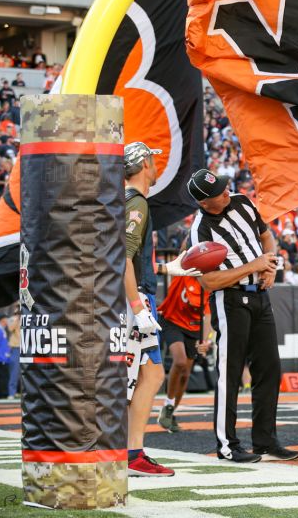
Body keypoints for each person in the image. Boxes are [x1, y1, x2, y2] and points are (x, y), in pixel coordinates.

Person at [189, 168, 298, 463]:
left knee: (269, 368)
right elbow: (208, 282)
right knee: (230, 372)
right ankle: (227, 445)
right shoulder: (200, 228)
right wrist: (254, 266)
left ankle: (265, 439)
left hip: (260, 297)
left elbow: (267, 237)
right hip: (230, 300)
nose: (226, 192)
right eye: (218, 193)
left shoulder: (241, 201)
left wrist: (271, 266)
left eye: (224, 187)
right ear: (204, 203)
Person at [121, 142, 175, 476]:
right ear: (143, 164)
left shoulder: (124, 198)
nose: (156, 166)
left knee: (150, 374)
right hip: (133, 298)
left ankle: (130, 451)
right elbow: (124, 257)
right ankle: (130, 454)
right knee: (142, 376)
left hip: (133, 294)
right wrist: (139, 306)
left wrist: (170, 269)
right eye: (153, 160)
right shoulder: (136, 201)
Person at [155, 256, 211, 433]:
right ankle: (169, 404)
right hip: (171, 320)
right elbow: (185, 249)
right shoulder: (183, 273)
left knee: (186, 373)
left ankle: (169, 411)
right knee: (179, 362)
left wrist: (205, 340)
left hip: (193, 328)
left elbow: (208, 316)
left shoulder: (209, 284)